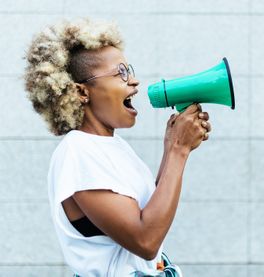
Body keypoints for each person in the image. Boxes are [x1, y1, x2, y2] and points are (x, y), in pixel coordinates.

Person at [23, 18, 211, 277]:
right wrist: (179, 150)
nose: (133, 81)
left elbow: (150, 215)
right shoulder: (77, 152)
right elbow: (146, 241)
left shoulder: (111, 146)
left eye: (129, 70)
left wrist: (173, 147)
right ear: (81, 92)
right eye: (120, 73)